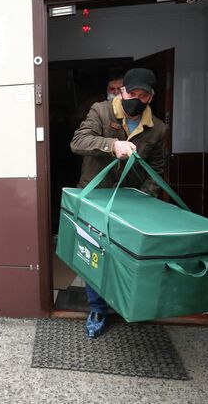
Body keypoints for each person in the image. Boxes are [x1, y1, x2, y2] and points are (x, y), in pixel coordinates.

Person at [69, 67, 167, 338]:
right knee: (94, 255)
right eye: (131, 92)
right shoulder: (100, 111)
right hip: (96, 196)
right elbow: (78, 141)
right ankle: (98, 308)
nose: (135, 98)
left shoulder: (157, 128)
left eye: (142, 95)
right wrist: (113, 145)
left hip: (130, 202)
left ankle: (125, 304)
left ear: (151, 97)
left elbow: (157, 168)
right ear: (121, 91)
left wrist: (147, 196)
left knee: (124, 257)